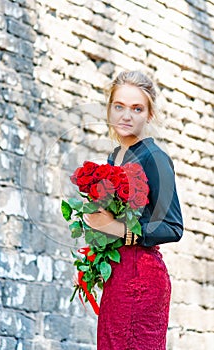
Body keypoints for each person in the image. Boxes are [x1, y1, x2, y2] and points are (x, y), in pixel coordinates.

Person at [83, 71, 183, 350]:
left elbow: (174, 227)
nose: (126, 116)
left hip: (142, 277)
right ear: (110, 109)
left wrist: (119, 230)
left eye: (137, 108)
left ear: (149, 114)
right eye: (119, 106)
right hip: (118, 273)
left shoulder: (155, 158)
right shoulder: (114, 158)